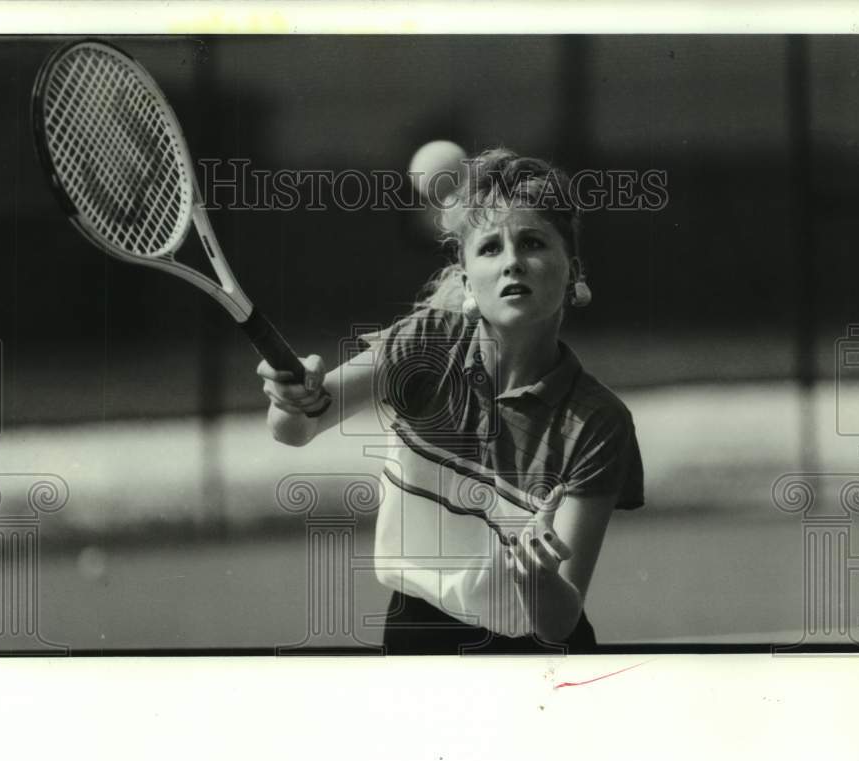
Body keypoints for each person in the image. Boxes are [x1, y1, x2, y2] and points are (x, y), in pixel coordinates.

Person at [258, 148, 644, 655]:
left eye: (531, 242)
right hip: (412, 633)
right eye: (489, 248)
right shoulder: (427, 344)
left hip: (531, 658)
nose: (512, 262)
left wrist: (534, 574)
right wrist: (289, 399)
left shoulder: (596, 422)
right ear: (466, 282)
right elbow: (298, 429)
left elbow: (559, 622)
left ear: (572, 271)